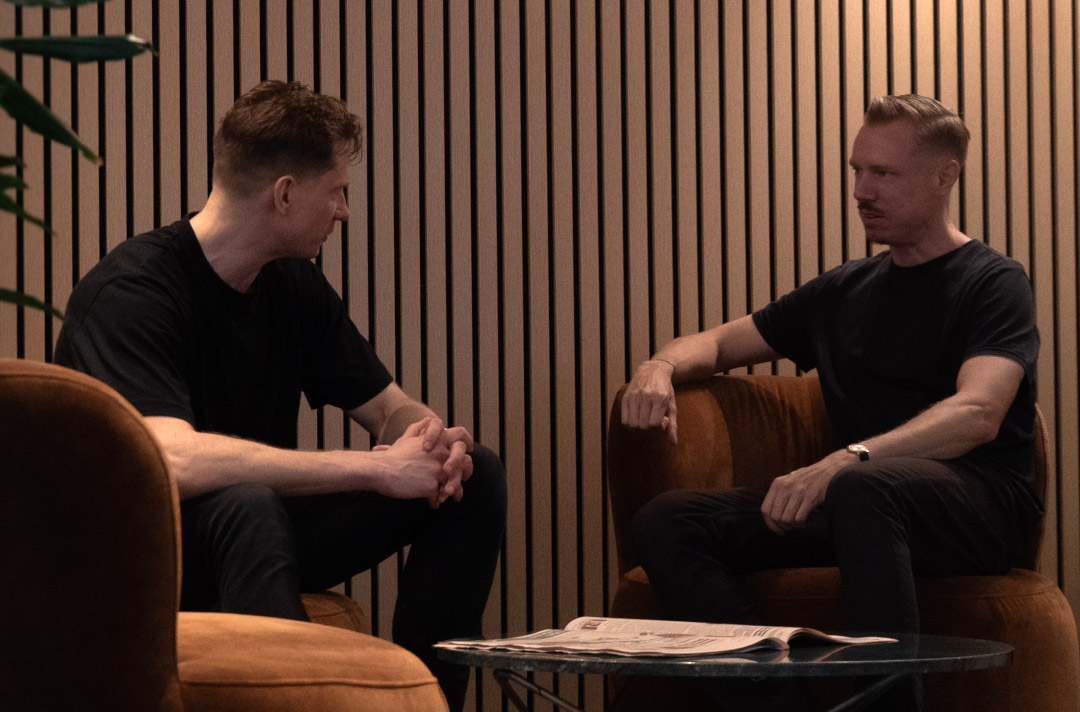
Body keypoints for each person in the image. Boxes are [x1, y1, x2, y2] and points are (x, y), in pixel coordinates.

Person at [53, 80, 506, 712]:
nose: (344, 211)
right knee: (247, 501)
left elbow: (383, 406)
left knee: (475, 473)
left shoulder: (292, 284)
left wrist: (431, 442)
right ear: (286, 194)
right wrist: (375, 469)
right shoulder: (133, 292)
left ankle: (433, 700)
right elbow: (171, 459)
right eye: (338, 191)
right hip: (154, 550)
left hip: (260, 527)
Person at [621, 95, 1041, 711]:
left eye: (883, 174)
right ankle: (773, 703)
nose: (861, 191)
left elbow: (978, 413)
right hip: (860, 505)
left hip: (977, 507)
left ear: (944, 176)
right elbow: (713, 343)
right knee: (667, 520)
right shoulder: (843, 290)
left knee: (863, 489)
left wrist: (850, 458)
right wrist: (656, 366)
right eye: (856, 170)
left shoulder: (993, 281)